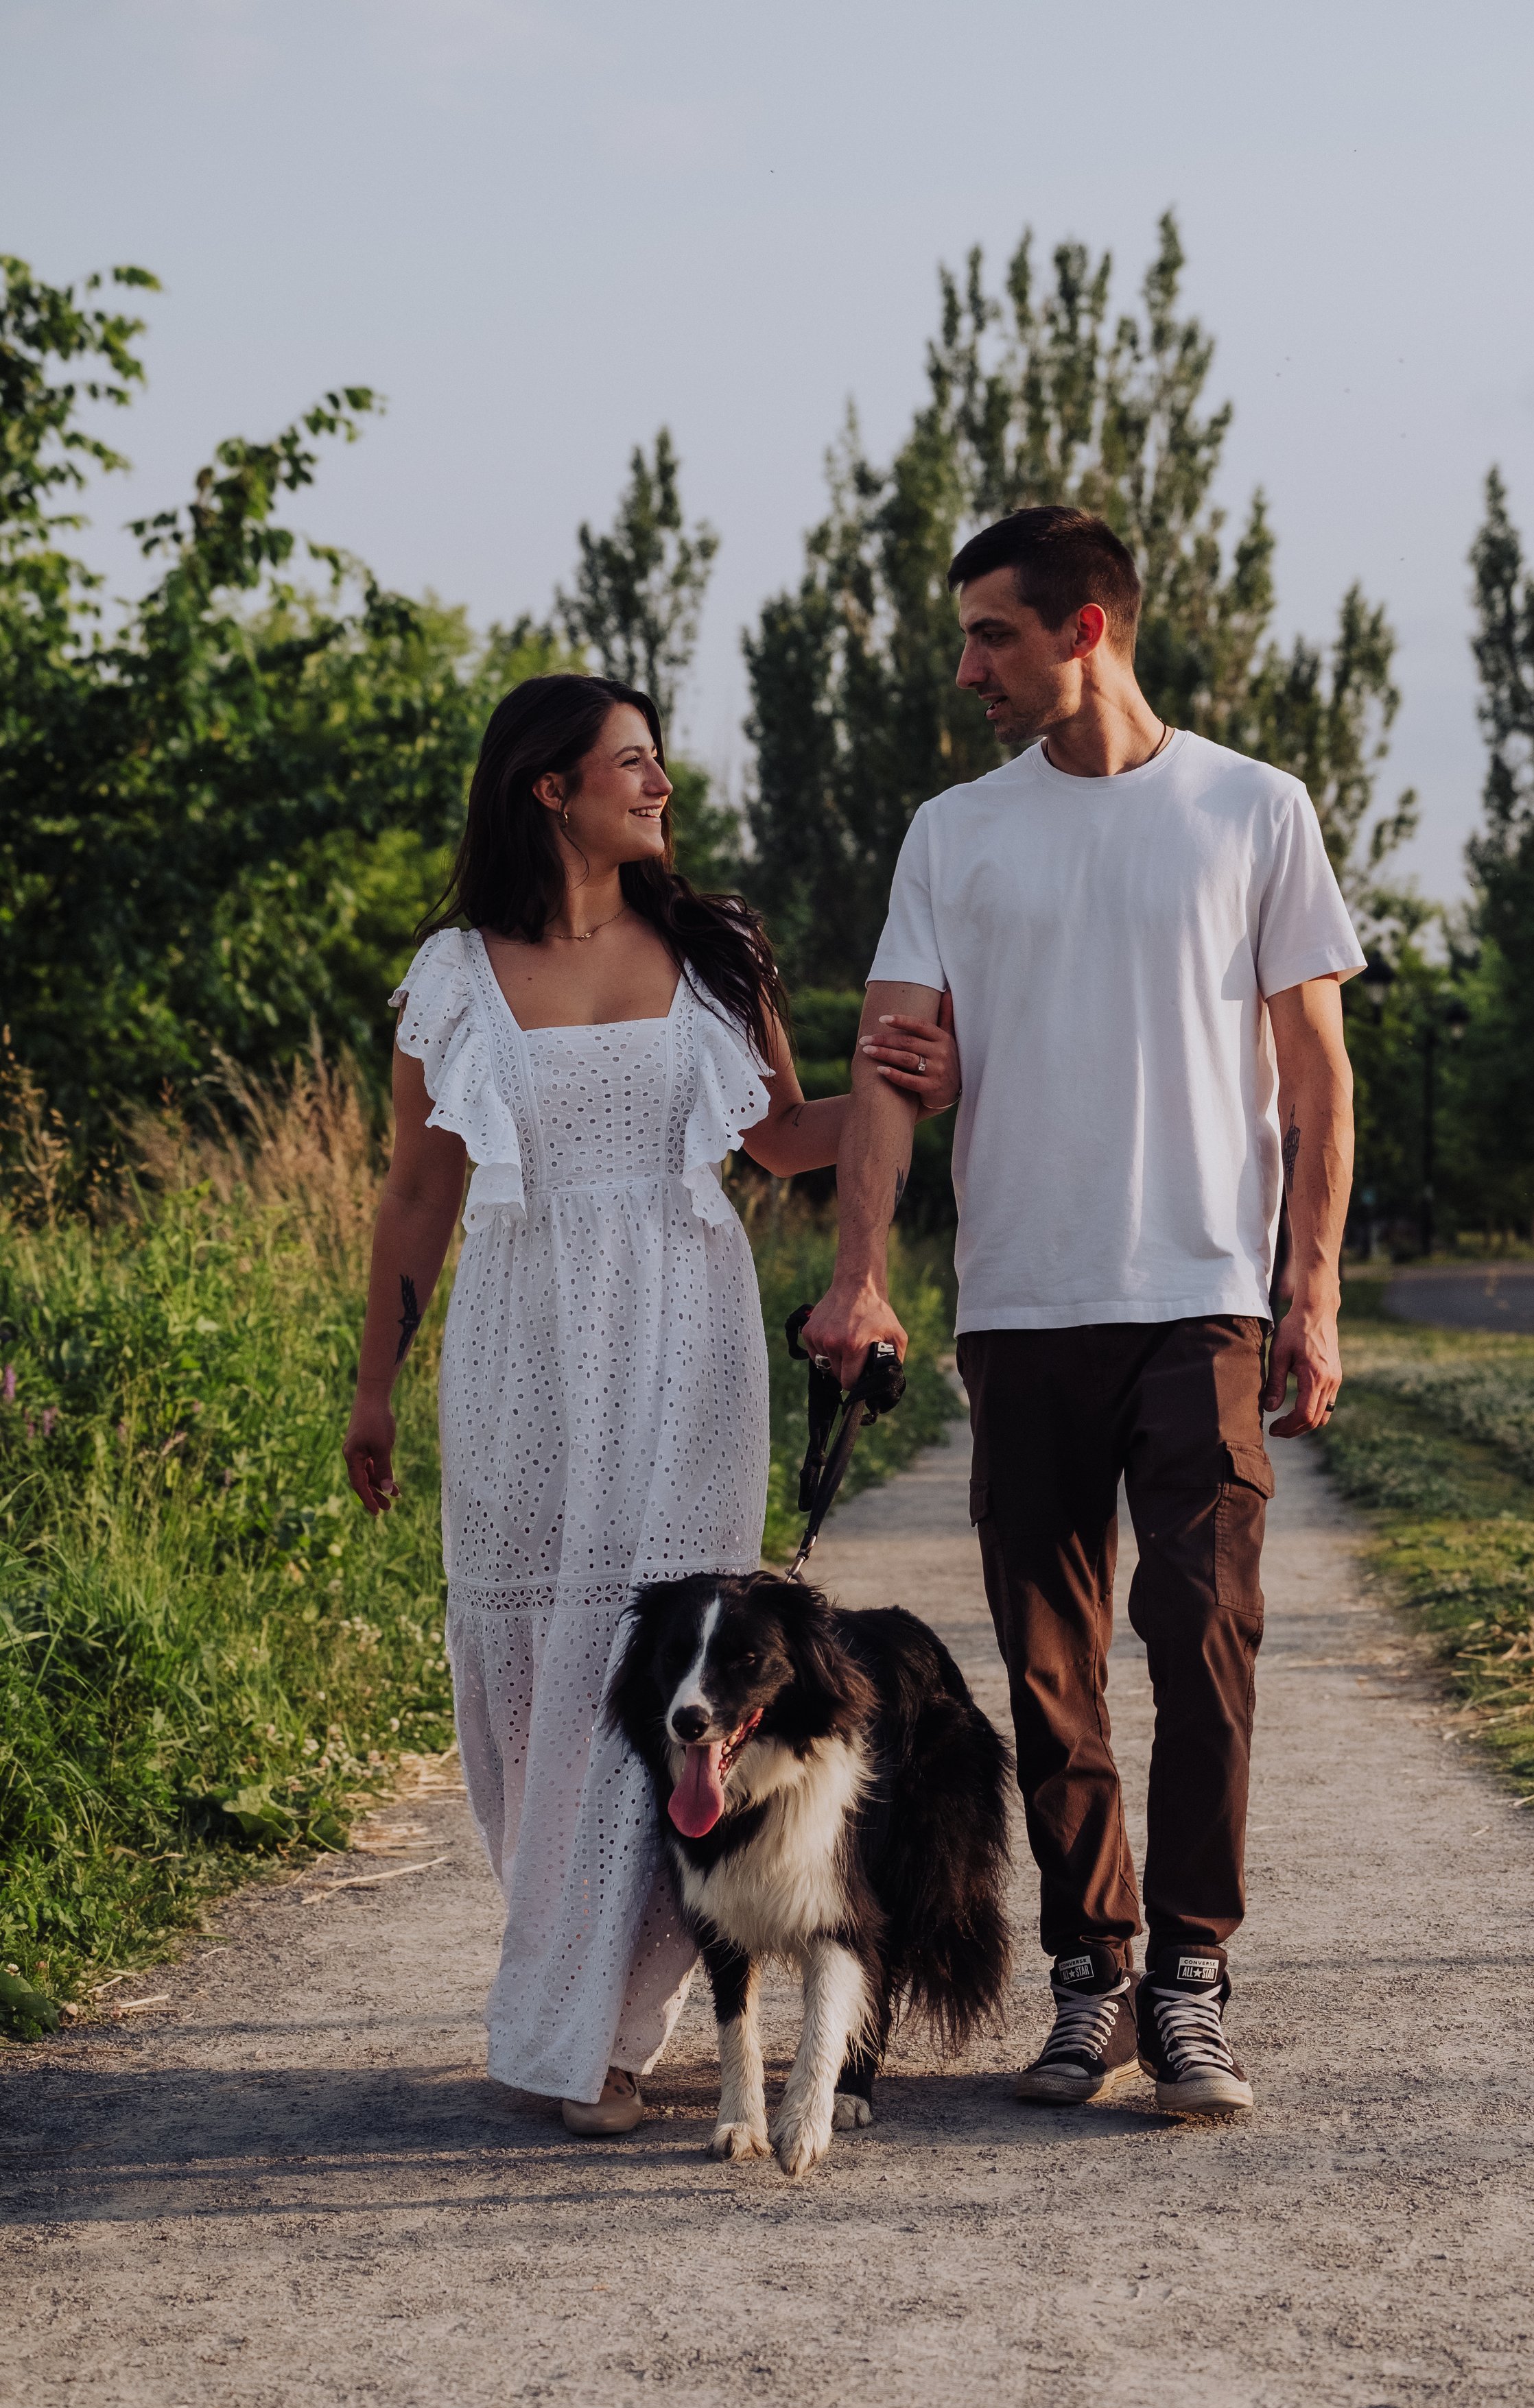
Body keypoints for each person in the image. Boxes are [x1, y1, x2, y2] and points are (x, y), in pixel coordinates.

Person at [342, 674, 959, 2135]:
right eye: (631, 761)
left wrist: (904, 1089)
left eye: (657, 759)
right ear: (548, 788)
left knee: (660, 1675)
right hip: (518, 1341)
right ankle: (572, 1981)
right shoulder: (450, 974)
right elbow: (416, 1193)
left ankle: (600, 2035)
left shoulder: (711, 951)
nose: (659, 784)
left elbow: (780, 1139)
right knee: (529, 1689)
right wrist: (373, 1387)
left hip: (685, 1332)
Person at [803, 508, 1362, 2119]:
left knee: (1200, 1639)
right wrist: (861, 1275)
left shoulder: (1251, 810)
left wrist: (1305, 1294)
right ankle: (1089, 1973)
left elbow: (1317, 1080)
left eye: (991, 635)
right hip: (1023, 1309)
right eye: (967, 636)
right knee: (1049, 1675)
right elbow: (891, 1067)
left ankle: (1190, 1978)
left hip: (1198, 1303)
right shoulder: (951, 834)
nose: (967, 666)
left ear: (1085, 631)